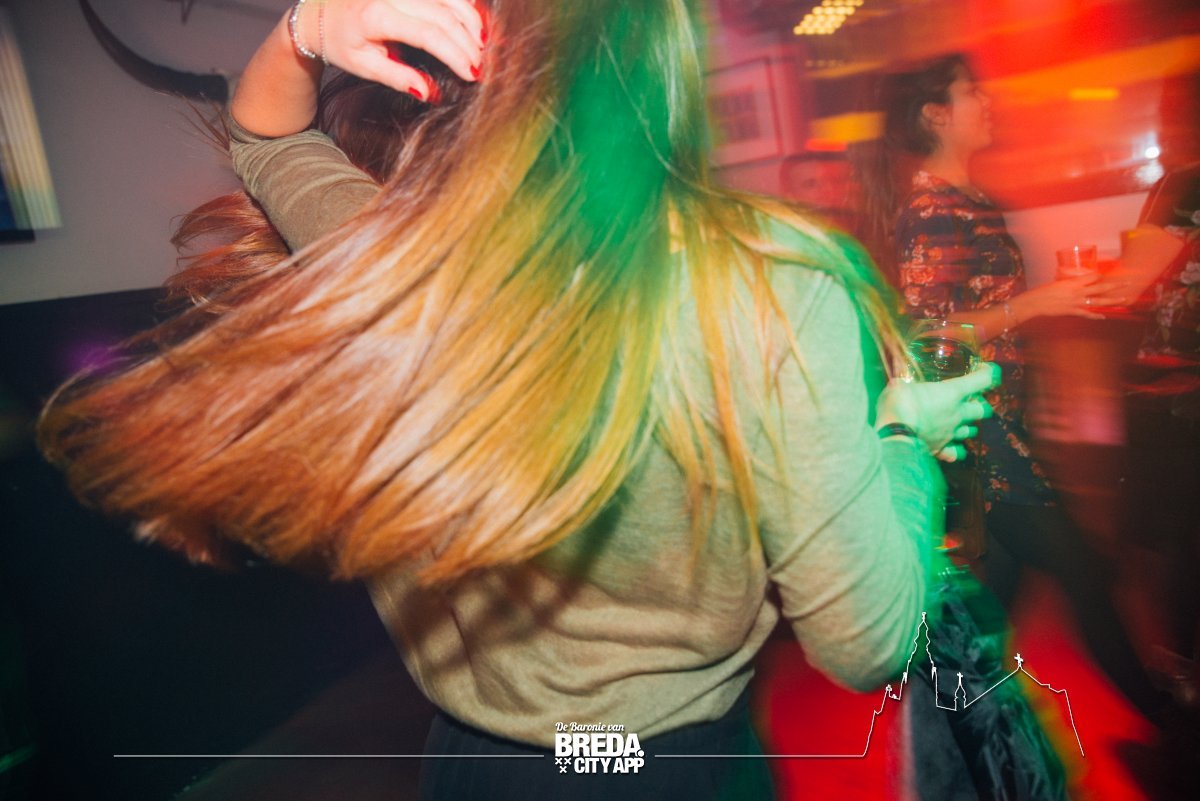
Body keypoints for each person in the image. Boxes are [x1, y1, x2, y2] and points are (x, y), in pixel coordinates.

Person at [38, 3, 997, 799]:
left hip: (475, 761)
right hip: (660, 766)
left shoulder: (385, 264)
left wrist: (307, 28)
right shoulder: (768, 284)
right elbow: (867, 639)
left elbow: (265, 134)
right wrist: (900, 438)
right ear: (661, 69)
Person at [857, 51, 1178, 798]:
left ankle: (948, 760)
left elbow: (983, 317)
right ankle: (1175, 730)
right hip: (981, 438)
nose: (989, 100)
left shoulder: (970, 200)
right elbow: (930, 334)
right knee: (1085, 574)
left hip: (998, 427)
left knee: (986, 617)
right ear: (936, 114)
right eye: (974, 91)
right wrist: (1040, 304)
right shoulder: (934, 209)